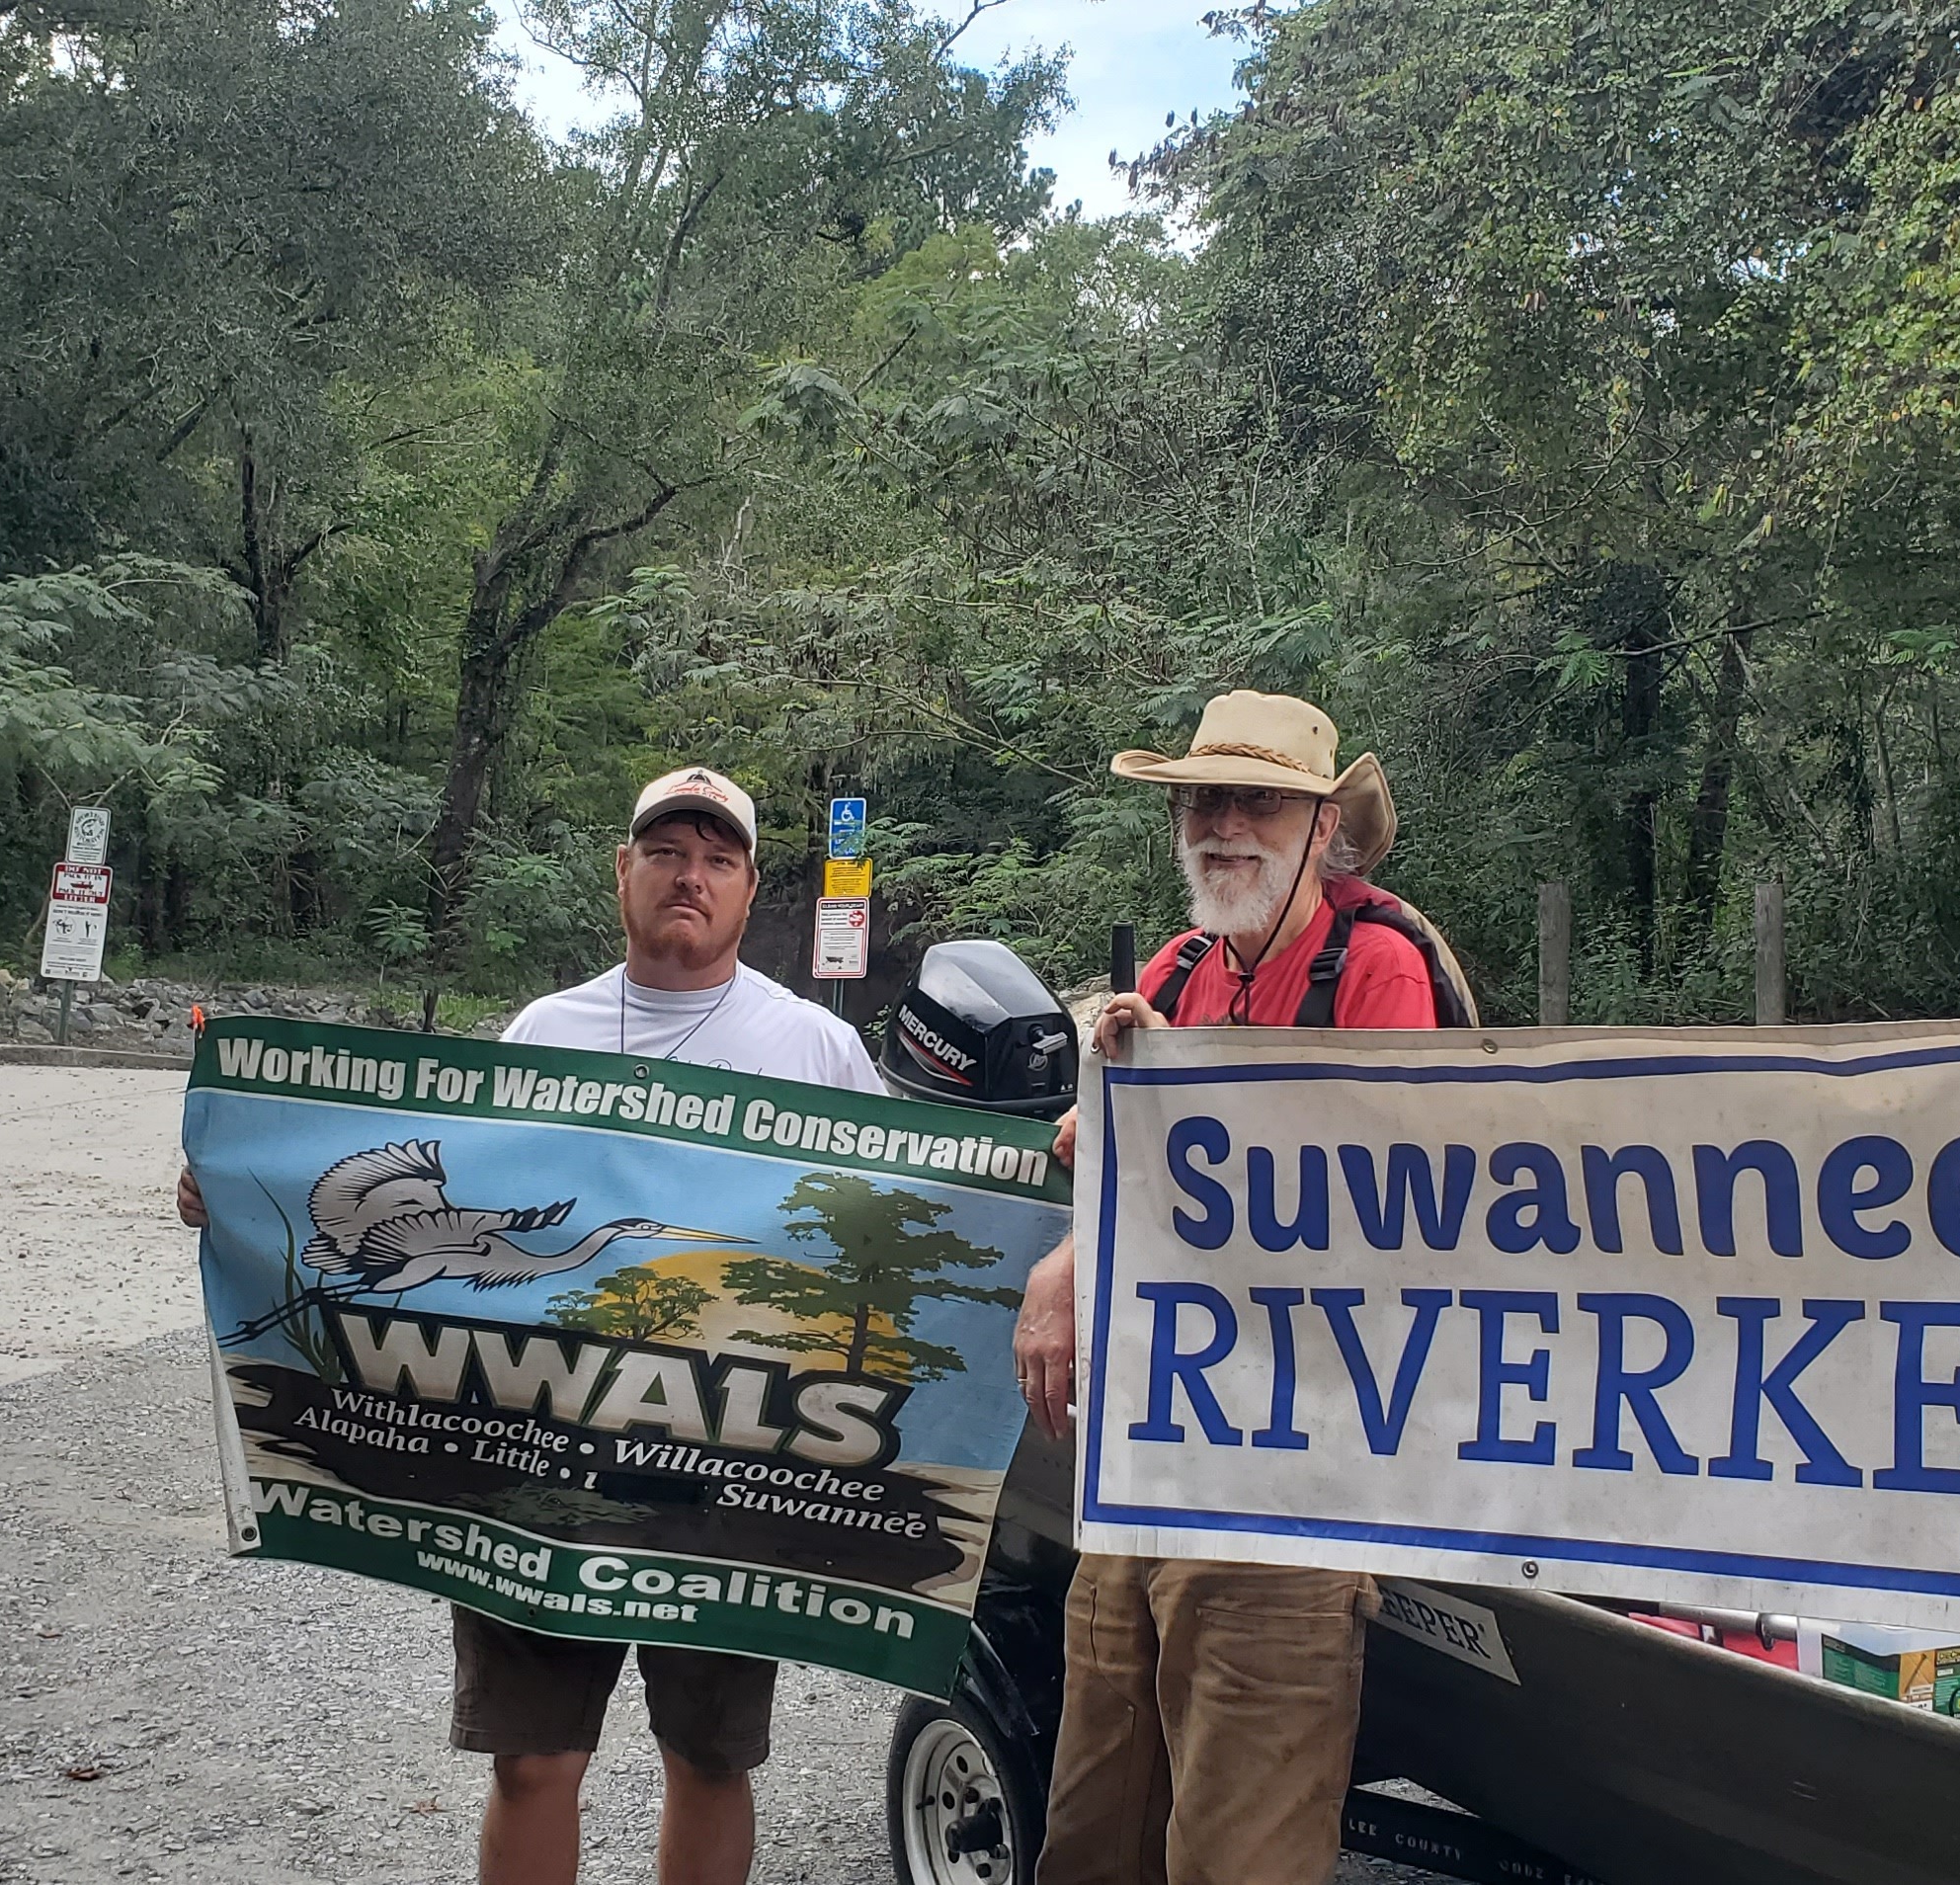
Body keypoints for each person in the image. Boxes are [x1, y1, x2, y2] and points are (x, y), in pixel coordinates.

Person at [177, 763, 880, 1885]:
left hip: (726, 1465)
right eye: (665, 852)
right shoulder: (540, 1032)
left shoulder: (818, 1052)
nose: (688, 876)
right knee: (532, 1761)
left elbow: (900, 1220)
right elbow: (432, 1218)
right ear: (624, 871)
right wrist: (241, 1188)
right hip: (537, 1452)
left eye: (717, 858)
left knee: (709, 1757)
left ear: (751, 890)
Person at [1012, 691, 1448, 1885]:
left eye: (1258, 800)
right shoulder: (1177, 970)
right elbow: (1110, 1171)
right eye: (1203, 798)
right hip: (1147, 1466)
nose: (1224, 824)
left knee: (1236, 1851)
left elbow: (1388, 1219)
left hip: (1293, 1483)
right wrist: (1068, 1249)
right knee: (1093, 1825)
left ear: (1324, 831)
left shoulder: (1381, 975)